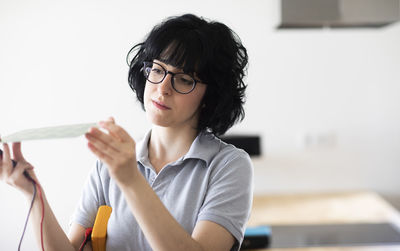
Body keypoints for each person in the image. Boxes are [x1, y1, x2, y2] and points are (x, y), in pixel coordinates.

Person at [0, 13, 253, 251]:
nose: (162, 88)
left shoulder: (228, 165)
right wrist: (33, 193)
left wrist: (130, 179)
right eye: (157, 69)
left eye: (184, 79)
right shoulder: (110, 164)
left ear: (212, 95)